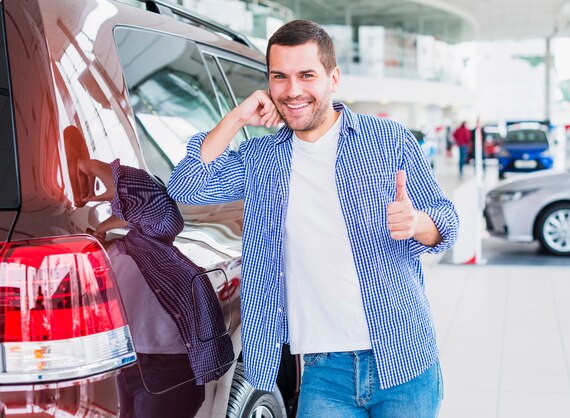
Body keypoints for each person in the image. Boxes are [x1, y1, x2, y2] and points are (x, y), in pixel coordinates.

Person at [168, 19, 458, 417]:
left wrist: (418, 224)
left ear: (333, 78)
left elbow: (447, 221)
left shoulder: (388, 142)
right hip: (324, 371)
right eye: (279, 77)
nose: (293, 90)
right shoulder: (261, 161)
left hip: (403, 355)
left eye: (307, 75)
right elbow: (187, 185)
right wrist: (236, 118)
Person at [76, 158, 233, 418]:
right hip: (126, 365)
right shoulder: (109, 252)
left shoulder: (153, 242)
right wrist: (102, 230)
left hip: (169, 368)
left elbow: (159, 208)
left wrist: (88, 165)